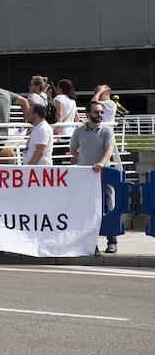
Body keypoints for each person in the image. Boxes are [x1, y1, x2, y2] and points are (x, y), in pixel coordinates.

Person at [70, 100, 118, 253]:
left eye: (101, 112)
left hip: (104, 176)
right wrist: (81, 162)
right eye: (96, 112)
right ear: (88, 114)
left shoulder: (106, 131)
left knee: (108, 208)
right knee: (89, 211)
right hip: (86, 178)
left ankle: (112, 241)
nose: (100, 115)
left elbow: (110, 149)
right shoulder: (79, 131)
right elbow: (72, 150)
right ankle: (91, 244)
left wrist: (101, 163)